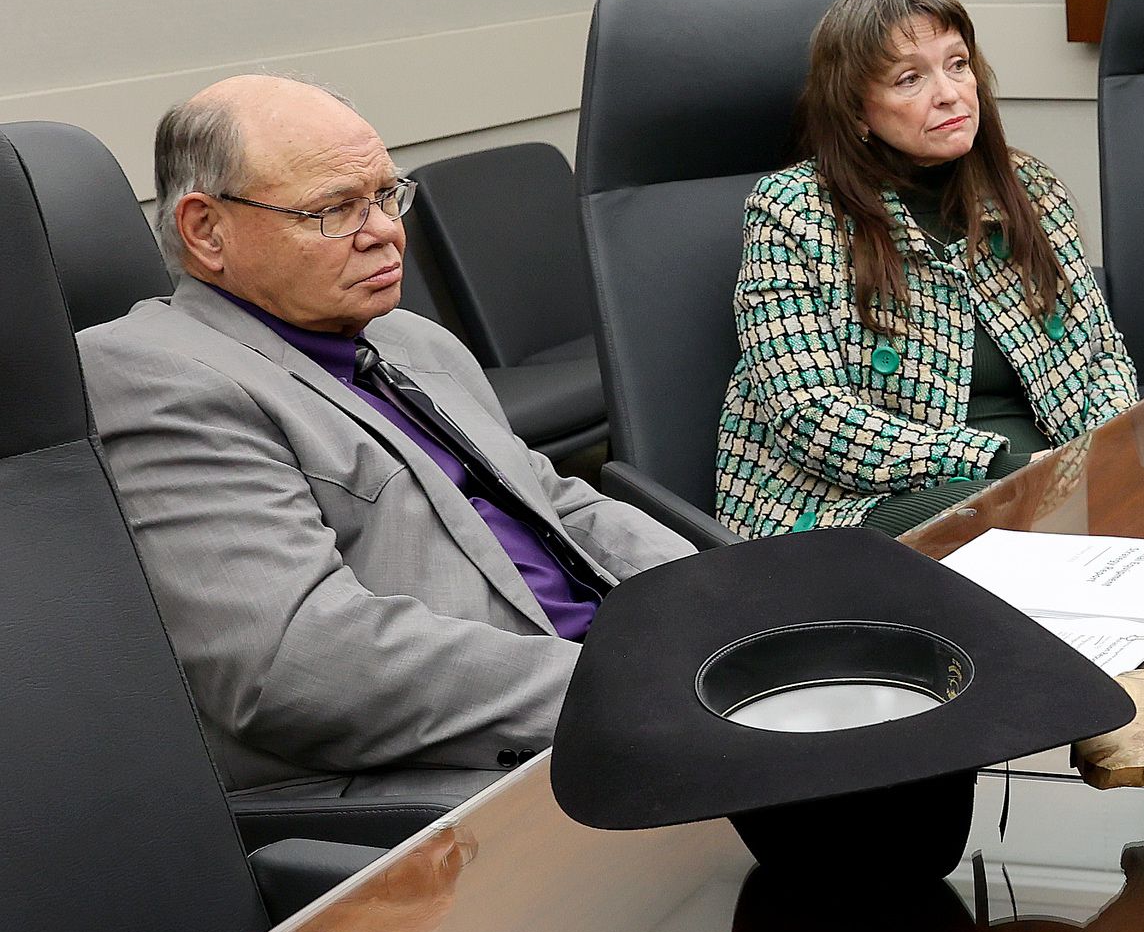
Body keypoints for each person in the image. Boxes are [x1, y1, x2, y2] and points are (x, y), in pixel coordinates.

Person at [79, 77, 693, 794]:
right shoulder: (157, 374)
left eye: (384, 195)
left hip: (626, 678)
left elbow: (556, 499)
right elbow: (294, 658)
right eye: (336, 208)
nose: (384, 230)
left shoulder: (408, 339)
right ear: (206, 231)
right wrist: (621, 689)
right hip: (484, 762)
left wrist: (712, 603)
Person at [717, 0, 1138, 537]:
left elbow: (1101, 359)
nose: (950, 92)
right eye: (910, 78)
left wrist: (1105, 459)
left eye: (958, 63)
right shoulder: (790, 212)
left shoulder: (1028, 189)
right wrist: (1001, 468)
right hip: (855, 502)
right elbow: (807, 415)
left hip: (1048, 479)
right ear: (858, 112)